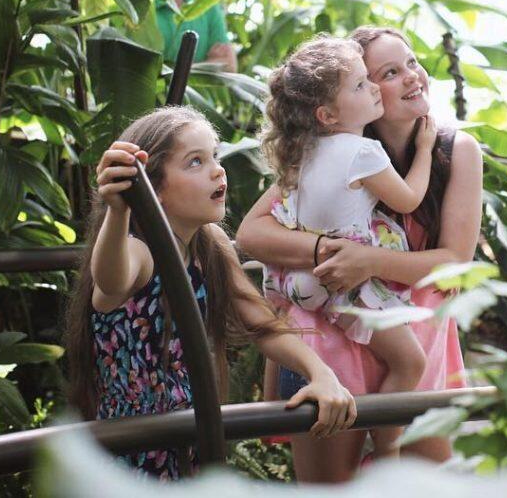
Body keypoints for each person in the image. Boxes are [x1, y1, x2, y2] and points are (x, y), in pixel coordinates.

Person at [236, 26, 484, 482]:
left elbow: (455, 262)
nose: (412, 77)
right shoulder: (333, 150)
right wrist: (327, 251)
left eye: (411, 62)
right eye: (388, 73)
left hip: (413, 337)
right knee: (330, 487)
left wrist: (368, 261)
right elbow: (252, 232)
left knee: (425, 484)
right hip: (333, 345)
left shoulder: (453, 149)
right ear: (344, 101)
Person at [64, 106, 356, 481]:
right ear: (154, 188)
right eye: (195, 162)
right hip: (133, 453)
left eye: (214, 156)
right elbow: (110, 279)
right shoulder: (138, 250)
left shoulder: (209, 244)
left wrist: (321, 373)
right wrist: (119, 209)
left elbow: (262, 324)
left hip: (190, 439)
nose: (218, 170)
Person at [259, 37, 438, 458]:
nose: (374, 88)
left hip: (305, 285)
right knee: (410, 362)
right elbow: (409, 199)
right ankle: (388, 445)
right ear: (328, 114)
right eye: (362, 85)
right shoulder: (362, 151)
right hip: (348, 285)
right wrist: (426, 150)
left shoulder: (302, 152)